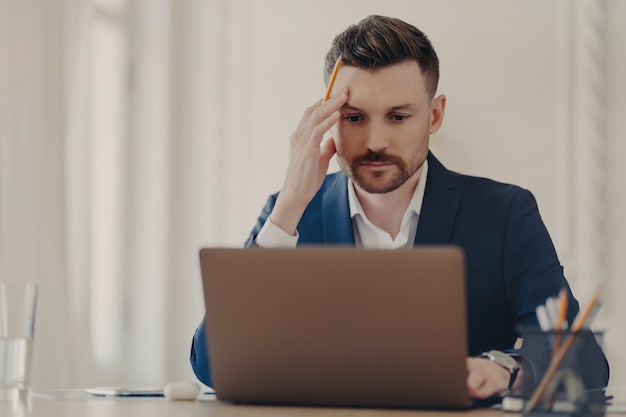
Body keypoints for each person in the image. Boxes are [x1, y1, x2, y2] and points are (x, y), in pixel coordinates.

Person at [191, 15, 609, 400]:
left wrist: (503, 369)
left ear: (435, 115)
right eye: (354, 118)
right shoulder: (289, 216)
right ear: (327, 119)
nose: (375, 141)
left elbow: (584, 359)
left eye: (397, 117)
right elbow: (211, 365)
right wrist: (289, 206)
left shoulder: (505, 213)